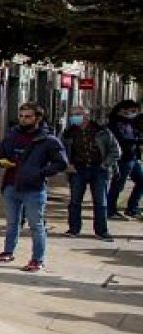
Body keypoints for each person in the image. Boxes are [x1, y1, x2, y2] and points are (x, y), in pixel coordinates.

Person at [0, 103, 68, 272]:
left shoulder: (48, 140)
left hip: (34, 188)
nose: (23, 119)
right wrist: (4, 162)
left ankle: (37, 259)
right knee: (12, 222)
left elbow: (61, 163)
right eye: (21, 116)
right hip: (11, 184)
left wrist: (41, 172)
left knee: (36, 225)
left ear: (37, 118)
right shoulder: (12, 135)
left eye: (28, 116)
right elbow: (1, 155)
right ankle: (8, 252)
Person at [60, 104, 120, 242]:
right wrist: (67, 165)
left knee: (100, 202)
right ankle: (74, 229)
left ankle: (101, 231)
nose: (74, 118)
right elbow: (60, 150)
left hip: (98, 169)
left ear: (86, 116)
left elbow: (115, 151)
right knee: (75, 201)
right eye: (72, 115)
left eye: (77, 114)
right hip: (78, 169)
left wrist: (105, 165)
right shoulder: (69, 133)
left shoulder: (102, 131)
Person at [106, 99, 141, 220]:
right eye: (131, 111)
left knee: (141, 181)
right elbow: (123, 140)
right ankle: (110, 210)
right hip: (122, 159)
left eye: (135, 111)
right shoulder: (115, 124)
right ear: (122, 110)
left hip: (133, 158)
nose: (133, 113)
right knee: (118, 185)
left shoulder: (130, 123)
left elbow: (135, 135)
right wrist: (137, 141)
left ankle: (132, 208)